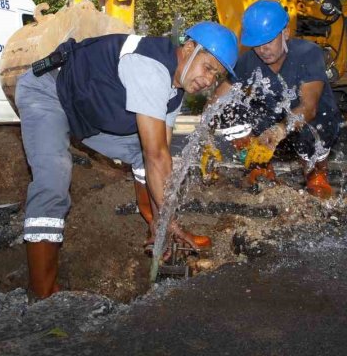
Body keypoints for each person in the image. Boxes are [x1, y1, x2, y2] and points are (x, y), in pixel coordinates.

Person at [16, 21, 239, 299]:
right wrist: (172, 220)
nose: (208, 81)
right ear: (189, 47)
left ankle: (153, 226)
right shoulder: (151, 66)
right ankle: (42, 294)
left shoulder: (175, 90)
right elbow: (156, 156)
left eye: (215, 76)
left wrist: (163, 218)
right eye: (208, 68)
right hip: (50, 91)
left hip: (87, 109)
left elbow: (160, 155)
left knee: (143, 151)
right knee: (53, 182)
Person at [212, 0, 343, 198]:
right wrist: (206, 136)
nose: (262, 49)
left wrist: (280, 129)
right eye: (256, 44)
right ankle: (259, 166)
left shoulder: (308, 53)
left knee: (316, 122)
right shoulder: (248, 61)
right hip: (270, 128)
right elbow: (217, 99)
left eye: (268, 41)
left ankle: (316, 175)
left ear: (286, 33)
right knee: (226, 111)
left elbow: (309, 108)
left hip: (308, 125)